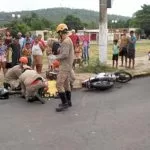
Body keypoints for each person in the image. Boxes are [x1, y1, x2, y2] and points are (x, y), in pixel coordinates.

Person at [55, 23, 74, 112]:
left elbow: (65, 54)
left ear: (60, 32)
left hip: (65, 66)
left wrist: (55, 57)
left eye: (59, 33)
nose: (59, 35)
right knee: (66, 84)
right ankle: (68, 101)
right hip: (68, 65)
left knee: (59, 84)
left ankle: (64, 103)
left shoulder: (66, 41)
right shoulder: (68, 40)